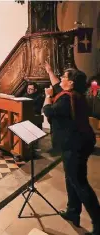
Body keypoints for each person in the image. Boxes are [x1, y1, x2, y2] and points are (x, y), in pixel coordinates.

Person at [43, 62, 100, 235]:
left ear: (71, 83)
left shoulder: (67, 99)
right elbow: (56, 85)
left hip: (75, 145)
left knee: (80, 183)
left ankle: (98, 223)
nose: (61, 78)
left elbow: (48, 110)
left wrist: (47, 96)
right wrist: (50, 71)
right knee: (71, 178)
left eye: (64, 77)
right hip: (79, 142)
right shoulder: (74, 95)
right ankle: (73, 212)